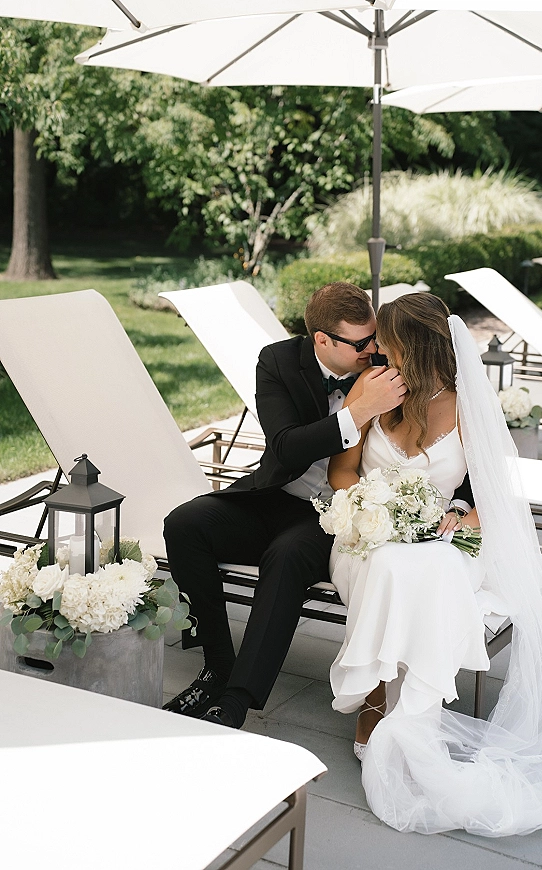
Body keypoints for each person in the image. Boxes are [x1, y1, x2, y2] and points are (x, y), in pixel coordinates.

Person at [326, 293, 542, 841]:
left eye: (388, 344)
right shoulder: (372, 392)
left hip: (442, 537)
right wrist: (371, 509)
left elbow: (496, 494)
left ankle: (414, 714)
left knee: (432, 569)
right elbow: (340, 473)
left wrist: (467, 518)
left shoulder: (467, 403)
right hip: (366, 536)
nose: (378, 352)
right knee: (390, 565)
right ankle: (375, 698)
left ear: (415, 349)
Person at [162, 282, 409, 729]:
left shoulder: (384, 367)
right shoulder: (277, 361)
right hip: (277, 495)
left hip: (339, 512)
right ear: (321, 340)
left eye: (373, 337)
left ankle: (236, 699)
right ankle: (217, 666)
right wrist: (355, 412)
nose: (374, 348)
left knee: (288, 555)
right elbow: (286, 447)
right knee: (184, 523)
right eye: (361, 342)